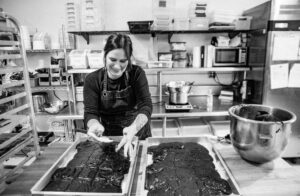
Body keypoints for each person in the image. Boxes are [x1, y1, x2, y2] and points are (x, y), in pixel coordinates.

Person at [83, 33, 152, 157]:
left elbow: (146, 105)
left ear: (129, 59)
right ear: (105, 56)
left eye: (123, 61)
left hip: (137, 133)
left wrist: (134, 128)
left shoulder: (137, 74)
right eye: (113, 60)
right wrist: (94, 124)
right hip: (110, 137)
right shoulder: (92, 79)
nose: (117, 66)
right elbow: (90, 112)